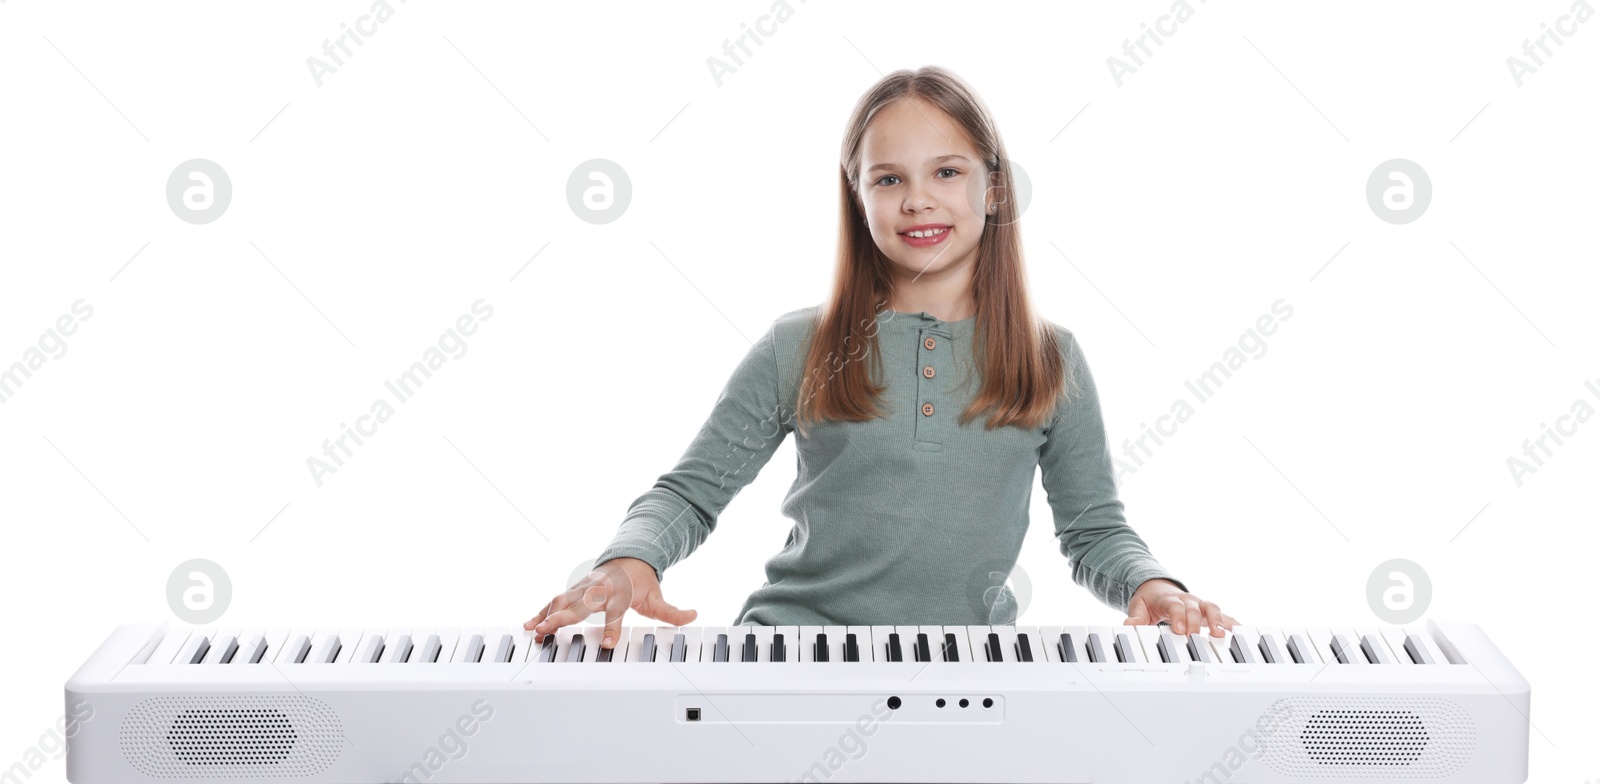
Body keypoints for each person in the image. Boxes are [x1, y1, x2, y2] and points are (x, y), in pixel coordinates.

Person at [525, 65, 1240, 652]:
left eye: (947, 172)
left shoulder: (1050, 358)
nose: (918, 200)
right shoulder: (799, 345)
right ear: (858, 196)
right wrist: (629, 560)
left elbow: (1093, 530)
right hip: (789, 654)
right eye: (889, 179)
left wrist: (1154, 585)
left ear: (992, 189)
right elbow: (689, 493)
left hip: (970, 673)